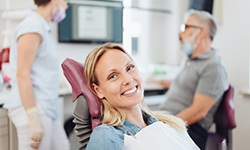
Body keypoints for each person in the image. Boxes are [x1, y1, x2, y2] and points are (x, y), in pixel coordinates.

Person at [83, 43, 200, 150]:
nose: (128, 79)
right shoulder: (106, 136)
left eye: (129, 68)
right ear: (98, 91)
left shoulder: (170, 124)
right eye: (113, 76)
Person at [3, 0, 70, 149]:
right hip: (33, 107)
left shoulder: (43, 27)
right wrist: (32, 118)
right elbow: (22, 73)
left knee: (62, 146)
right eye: (66, 2)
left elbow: (39, 69)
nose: (66, 6)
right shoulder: (32, 27)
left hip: (46, 105)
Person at [158, 10, 229, 150]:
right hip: (171, 121)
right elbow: (187, 86)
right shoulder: (191, 60)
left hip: (189, 129)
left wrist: (165, 127)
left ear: (200, 32)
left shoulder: (213, 66)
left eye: (185, 27)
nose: (180, 33)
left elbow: (198, 111)